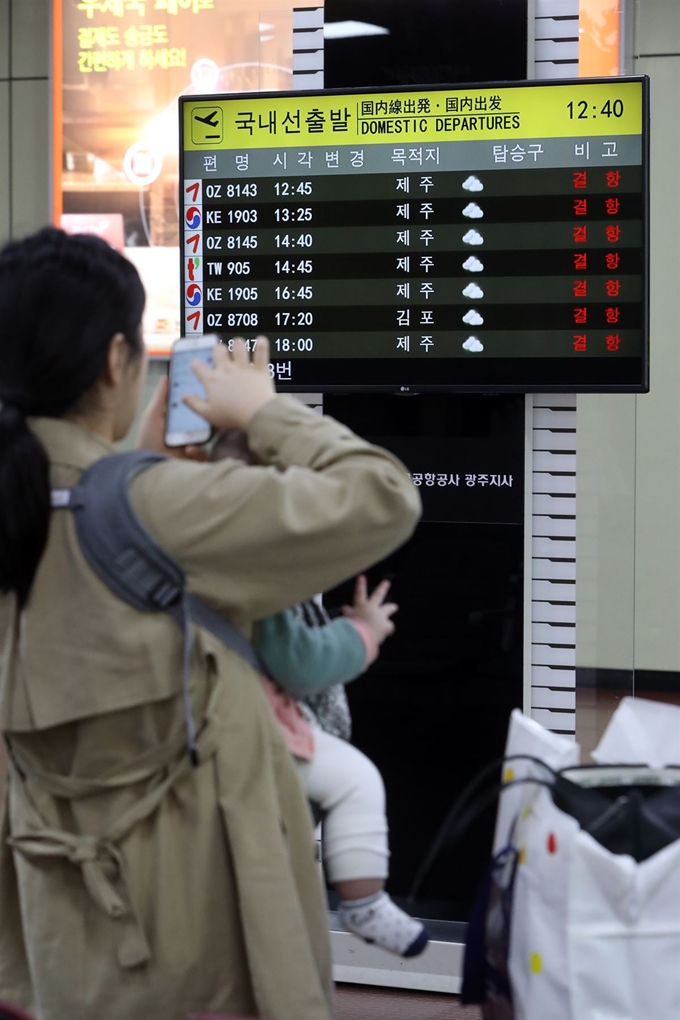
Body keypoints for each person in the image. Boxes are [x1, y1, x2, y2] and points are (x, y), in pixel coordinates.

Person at [0, 227, 421, 1020]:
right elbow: (381, 496)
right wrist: (265, 413)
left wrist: (143, 466)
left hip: (54, 913)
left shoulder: (44, 504)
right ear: (117, 363)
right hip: (186, 916)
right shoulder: (155, 506)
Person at [211, 432, 429, 958]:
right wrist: (364, 634)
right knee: (356, 780)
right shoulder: (262, 569)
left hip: (196, 722)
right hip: (249, 728)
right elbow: (301, 665)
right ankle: (362, 900)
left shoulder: (197, 543)